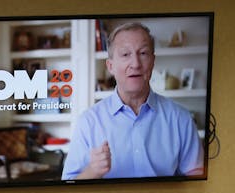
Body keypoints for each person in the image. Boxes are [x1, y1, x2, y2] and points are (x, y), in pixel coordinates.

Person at [62, 22, 204, 180]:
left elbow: (197, 180)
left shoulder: (181, 119)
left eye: (143, 53)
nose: (135, 64)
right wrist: (93, 171)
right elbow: (68, 189)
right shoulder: (89, 122)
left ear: (153, 61)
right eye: (125, 54)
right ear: (110, 66)